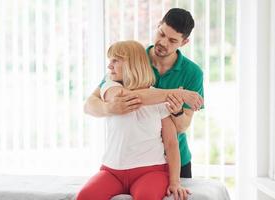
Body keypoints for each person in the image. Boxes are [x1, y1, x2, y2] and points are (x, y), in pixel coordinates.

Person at [84, 8, 204, 178]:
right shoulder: (134, 59)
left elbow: (183, 126)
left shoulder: (193, 73)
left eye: (172, 40)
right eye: (161, 34)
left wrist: (177, 111)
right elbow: (90, 104)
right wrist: (109, 108)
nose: (163, 42)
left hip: (175, 160)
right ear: (158, 26)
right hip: (133, 163)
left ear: (184, 42)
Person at [77, 40, 192, 200]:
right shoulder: (109, 88)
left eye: (115, 61)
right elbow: (127, 97)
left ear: (132, 64)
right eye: (110, 61)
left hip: (151, 171)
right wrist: (176, 94)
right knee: (85, 196)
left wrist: (175, 182)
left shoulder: (159, 100)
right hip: (112, 171)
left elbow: (172, 144)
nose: (109, 66)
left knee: (146, 197)